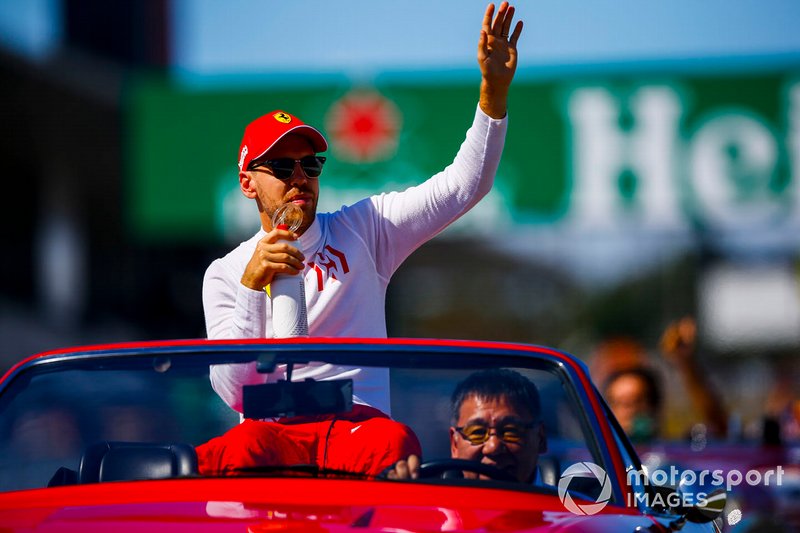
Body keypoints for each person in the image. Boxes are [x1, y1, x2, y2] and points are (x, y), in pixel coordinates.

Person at [197, 3, 524, 478]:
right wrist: (252, 287)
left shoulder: (365, 227)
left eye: (310, 165)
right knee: (229, 451)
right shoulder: (226, 272)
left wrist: (494, 93)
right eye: (283, 167)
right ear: (248, 183)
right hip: (270, 434)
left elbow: (464, 185)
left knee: (395, 441)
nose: (300, 178)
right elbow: (232, 391)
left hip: (356, 428)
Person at [387, 368, 547, 483]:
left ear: (540, 438)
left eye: (510, 431)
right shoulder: (431, 513)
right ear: (454, 444)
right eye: (477, 432)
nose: (492, 447)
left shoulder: (567, 515)